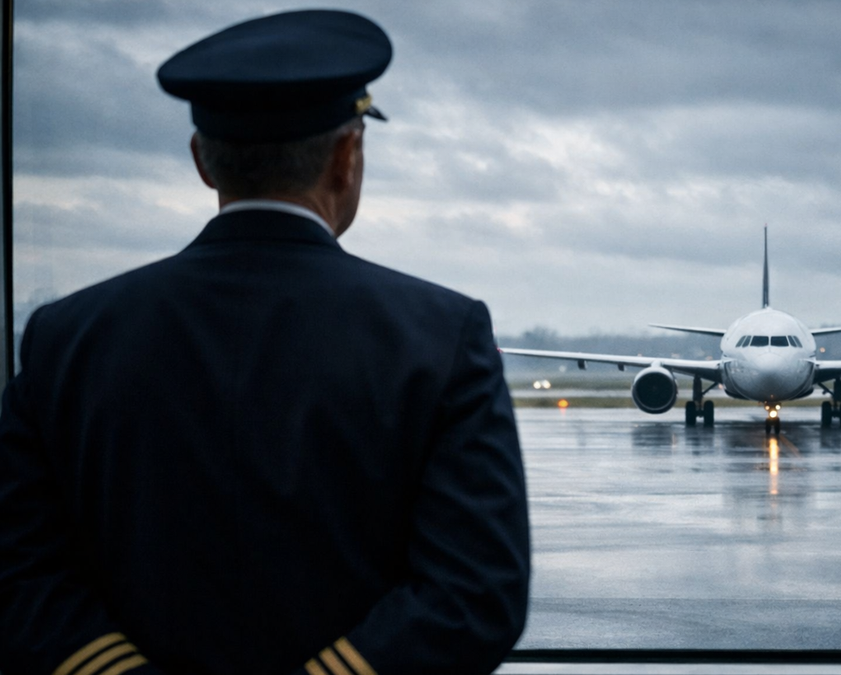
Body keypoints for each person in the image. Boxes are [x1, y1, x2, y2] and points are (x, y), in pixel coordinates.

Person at [0, 10, 530, 675]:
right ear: (347, 157)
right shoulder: (441, 337)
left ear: (201, 161)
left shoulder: (65, 339)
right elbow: (475, 594)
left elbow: (20, 577)